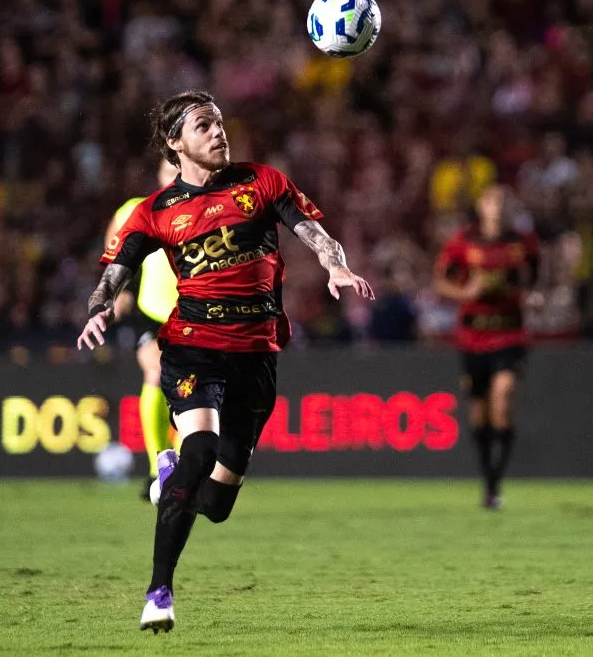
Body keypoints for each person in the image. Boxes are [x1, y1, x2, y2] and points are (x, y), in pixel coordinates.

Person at [77, 90, 374, 633]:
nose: (218, 132)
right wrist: (97, 309)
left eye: (218, 122)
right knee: (199, 447)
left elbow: (315, 233)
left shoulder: (261, 182)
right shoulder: (154, 212)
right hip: (192, 344)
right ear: (175, 144)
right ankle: (159, 592)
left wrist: (336, 267)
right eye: (203, 125)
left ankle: (171, 480)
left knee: (215, 504)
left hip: (256, 353)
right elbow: (114, 274)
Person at [433, 185, 540, 510]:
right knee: (478, 414)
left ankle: (495, 481)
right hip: (473, 336)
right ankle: (489, 482)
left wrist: (528, 292)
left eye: (504, 200)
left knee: (503, 394)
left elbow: (533, 278)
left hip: (509, 333)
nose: (499, 206)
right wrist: (465, 293)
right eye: (493, 200)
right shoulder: (464, 242)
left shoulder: (522, 243)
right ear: (481, 206)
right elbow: (441, 280)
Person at [105, 158, 181, 500]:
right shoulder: (138, 210)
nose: (176, 178)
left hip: (198, 316)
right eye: (170, 171)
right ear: (159, 175)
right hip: (153, 313)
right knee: (156, 372)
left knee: (193, 392)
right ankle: (157, 467)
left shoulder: (210, 209)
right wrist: (117, 291)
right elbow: (114, 248)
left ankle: (183, 464)